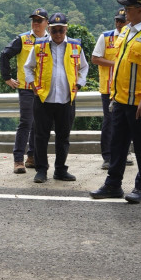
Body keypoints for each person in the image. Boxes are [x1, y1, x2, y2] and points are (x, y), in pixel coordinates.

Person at [90, 0, 141, 204]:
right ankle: (113, 184)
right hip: (121, 99)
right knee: (118, 143)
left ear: (140, 10)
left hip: (140, 102)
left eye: (129, 8)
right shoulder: (127, 32)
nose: (125, 12)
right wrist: (114, 96)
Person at [23, 13, 89, 183]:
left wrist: (79, 84)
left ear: (66, 29)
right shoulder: (39, 45)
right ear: (49, 29)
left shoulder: (75, 46)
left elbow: (84, 67)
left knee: (63, 137)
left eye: (61, 30)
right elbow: (28, 67)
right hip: (44, 98)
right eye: (54, 30)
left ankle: (60, 170)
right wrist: (33, 86)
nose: (58, 34)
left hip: (66, 99)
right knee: (40, 136)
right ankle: (41, 170)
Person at [0, 8, 49, 173]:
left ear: (46, 23)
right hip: (27, 88)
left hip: (45, 90)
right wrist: (7, 77)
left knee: (39, 124)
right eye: (33, 20)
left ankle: (32, 157)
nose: (35, 23)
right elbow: (5, 54)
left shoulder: (52, 39)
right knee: (26, 122)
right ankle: (18, 160)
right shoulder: (23, 39)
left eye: (39, 20)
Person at [91, 9, 134, 170]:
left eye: (122, 21)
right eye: (117, 20)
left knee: (127, 121)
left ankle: (125, 153)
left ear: (128, 21)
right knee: (109, 121)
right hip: (109, 88)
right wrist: (115, 64)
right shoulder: (106, 37)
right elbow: (95, 58)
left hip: (127, 86)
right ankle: (107, 156)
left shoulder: (132, 37)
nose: (119, 23)